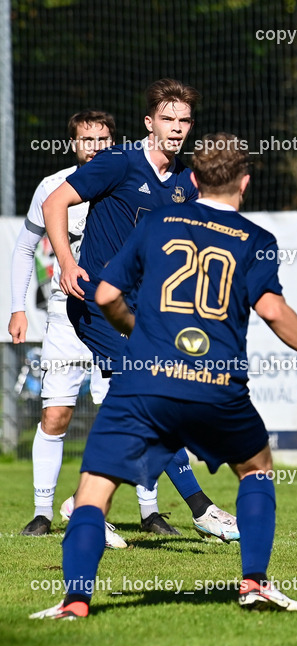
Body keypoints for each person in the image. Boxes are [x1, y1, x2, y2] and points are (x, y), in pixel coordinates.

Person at [30, 133, 297, 619]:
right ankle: (254, 583)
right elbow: (273, 310)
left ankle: (75, 600)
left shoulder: (158, 223)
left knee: (95, 488)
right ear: (244, 181)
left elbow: (103, 295)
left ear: (195, 179)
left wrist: (136, 329)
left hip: (145, 379)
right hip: (217, 384)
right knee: (256, 468)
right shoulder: (255, 240)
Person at [42, 80, 237, 541]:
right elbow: (56, 202)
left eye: (184, 120)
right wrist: (68, 263)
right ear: (149, 123)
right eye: (167, 119)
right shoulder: (119, 162)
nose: (176, 128)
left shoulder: (185, 183)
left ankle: (82, 504)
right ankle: (201, 507)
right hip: (94, 304)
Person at [11, 110, 163, 547]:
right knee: (56, 412)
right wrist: (18, 308)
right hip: (64, 315)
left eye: (103, 140)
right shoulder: (53, 187)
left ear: (114, 142)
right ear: (73, 143)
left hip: (115, 313)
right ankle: (43, 512)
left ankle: (149, 510)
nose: (94, 147)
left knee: (130, 407)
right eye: (86, 139)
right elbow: (24, 249)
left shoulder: (131, 181)